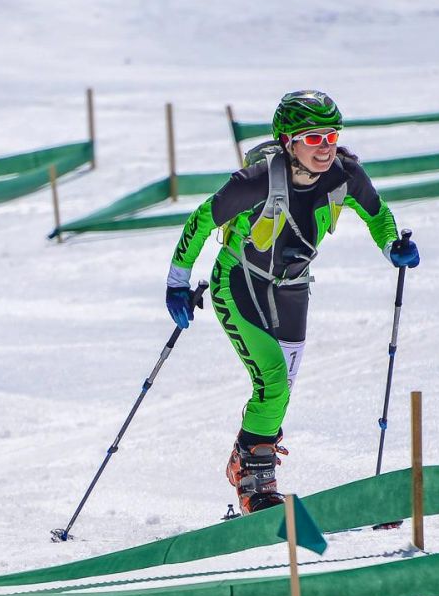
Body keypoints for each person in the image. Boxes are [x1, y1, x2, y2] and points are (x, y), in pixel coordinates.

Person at [164, 90, 419, 514]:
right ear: (288, 141)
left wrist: (392, 244)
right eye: (314, 138)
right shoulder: (258, 180)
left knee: (280, 391)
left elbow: (377, 213)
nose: (326, 147)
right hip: (239, 282)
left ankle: (246, 457)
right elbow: (203, 219)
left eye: (332, 136)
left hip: (294, 287)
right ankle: (254, 482)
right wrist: (178, 282)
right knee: (273, 382)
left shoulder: (345, 174)